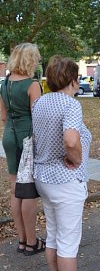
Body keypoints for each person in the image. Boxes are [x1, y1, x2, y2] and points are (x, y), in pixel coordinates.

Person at [32, 56, 100, 271]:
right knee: (68, 241)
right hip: (65, 182)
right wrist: (77, 158)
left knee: (53, 237)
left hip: (44, 179)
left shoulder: (40, 102)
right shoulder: (70, 105)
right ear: (73, 80)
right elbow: (71, 141)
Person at [0, 42, 44, 255]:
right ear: (29, 60)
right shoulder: (32, 84)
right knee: (27, 192)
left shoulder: (5, 83)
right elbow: (38, 117)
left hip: (8, 137)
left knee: (15, 189)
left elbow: (3, 116)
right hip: (27, 139)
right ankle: (32, 242)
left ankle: (21, 240)